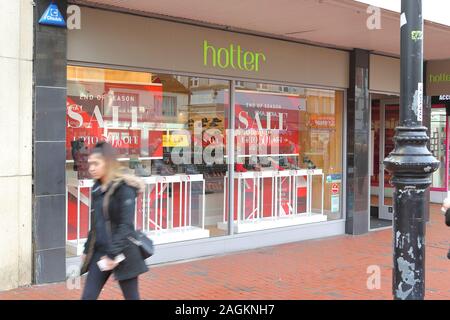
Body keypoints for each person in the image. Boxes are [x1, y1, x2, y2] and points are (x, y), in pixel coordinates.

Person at [80, 141, 148, 300]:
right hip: (101, 252)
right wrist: (86, 249)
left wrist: (112, 255)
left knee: (132, 297)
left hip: (124, 251)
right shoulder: (97, 188)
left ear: (108, 163)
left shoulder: (124, 188)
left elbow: (126, 225)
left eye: (96, 163)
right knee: (88, 297)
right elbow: (96, 224)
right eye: (90, 164)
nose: (91, 168)